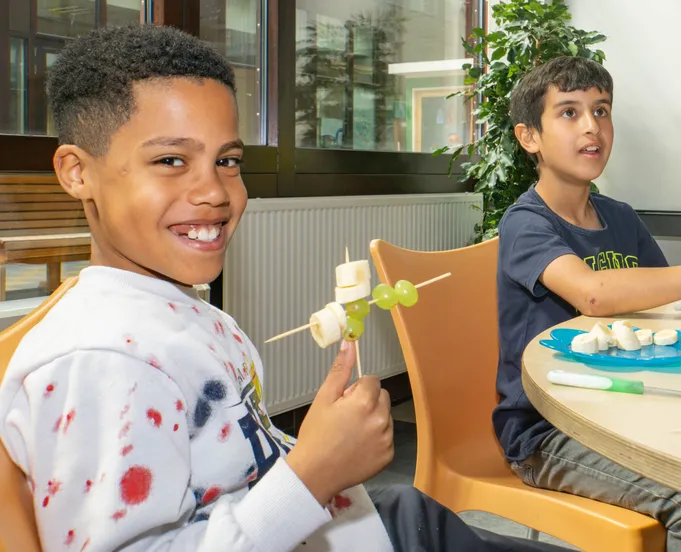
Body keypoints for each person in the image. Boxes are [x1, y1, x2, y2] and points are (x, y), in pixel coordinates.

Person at [0, 24, 563, 552]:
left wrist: (319, 445)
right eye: (171, 160)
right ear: (77, 172)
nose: (215, 192)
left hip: (365, 525)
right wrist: (314, 470)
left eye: (227, 160)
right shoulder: (101, 363)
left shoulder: (179, 311)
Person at [495, 56, 681, 552]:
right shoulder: (526, 223)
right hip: (548, 431)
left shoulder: (620, 217)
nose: (592, 125)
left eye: (602, 110)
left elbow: (671, 298)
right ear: (529, 137)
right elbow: (592, 293)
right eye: (569, 113)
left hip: (631, 408)